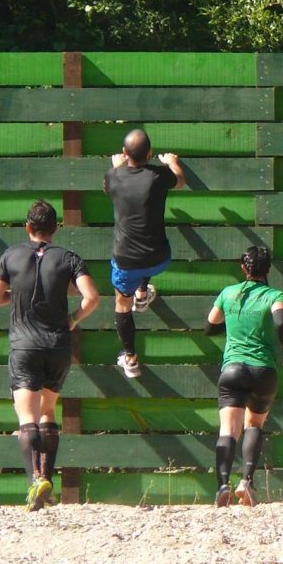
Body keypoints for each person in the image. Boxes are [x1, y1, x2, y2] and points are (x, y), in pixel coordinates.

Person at [0, 200, 99, 511]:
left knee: (26, 419)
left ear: (28, 228)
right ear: (56, 229)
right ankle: (47, 481)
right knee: (48, 412)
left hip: (24, 346)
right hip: (58, 346)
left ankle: (35, 481)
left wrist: (18, 295)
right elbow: (91, 298)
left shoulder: (11, 255)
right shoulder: (68, 258)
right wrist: (73, 319)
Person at [206, 246, 283, 508]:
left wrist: (234, 323)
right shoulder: (275, 295)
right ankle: (246, 480)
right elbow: (281, 322)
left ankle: (222, 484)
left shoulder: (228, 294)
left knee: (228, 430)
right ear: (268, 269)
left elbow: (210, 326)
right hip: (263, 370)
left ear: (243, 268)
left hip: (233, 369)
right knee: (254, 425)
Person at [103, 129, 186, 379]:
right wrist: (173, 163)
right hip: (159, 258)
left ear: (125, 153)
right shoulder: (158, 176)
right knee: (146, 265)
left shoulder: (114, 177)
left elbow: (108, 189)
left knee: (121, 304)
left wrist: (118, 167)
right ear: (150, 153)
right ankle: (142, 293)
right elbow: (180, 181)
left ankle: (130, 358)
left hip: (127, 262)